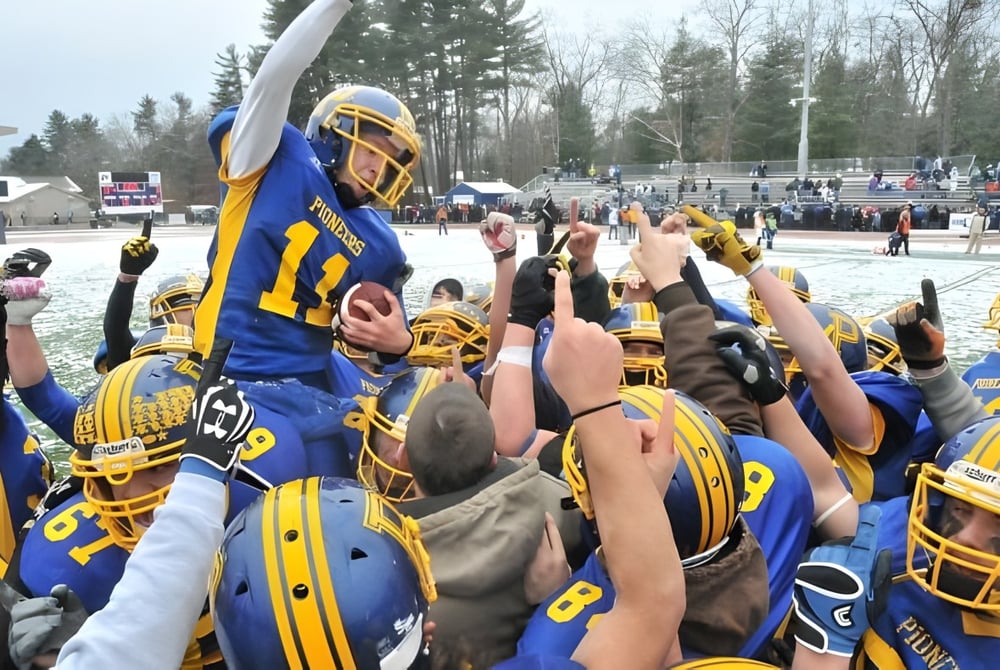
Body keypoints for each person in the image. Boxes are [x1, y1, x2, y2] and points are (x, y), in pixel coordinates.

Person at [197, 0, 420, 388]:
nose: (377, 168)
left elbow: (388, 346)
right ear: (332, 138)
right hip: (233, 375)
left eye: (389, 161)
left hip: (314, 381)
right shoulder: (273, 161)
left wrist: (400, 342)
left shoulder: (381, 243)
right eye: (370, 148)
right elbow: (275, 79)